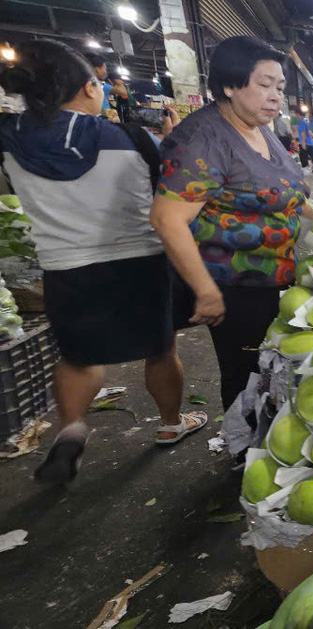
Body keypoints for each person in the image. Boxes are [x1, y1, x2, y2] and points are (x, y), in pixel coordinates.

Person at [0, 41, 206, 483]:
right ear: (91, 87)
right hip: (138, 262)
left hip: (65, 266)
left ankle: (71, 430)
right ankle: (171, 422)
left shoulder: (12, 140)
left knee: (78, 358)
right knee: (161, 348)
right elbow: (167, 195)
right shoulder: (129, 138)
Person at [150, 36, 313, 415]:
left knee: (268, 368)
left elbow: (281, 190)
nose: (275, 96)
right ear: (229, 85)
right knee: (245, 374)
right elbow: (166, 219)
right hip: (232, 283)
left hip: (269, 279)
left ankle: (262, 444)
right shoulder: (202, 139)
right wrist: (205, 291)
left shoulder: (260, 129)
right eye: (264, 84)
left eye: (280, 87)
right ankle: (243, 455)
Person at [84, 52, 129, 117]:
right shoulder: (98, 86)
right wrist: (116, 79)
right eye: (105, 68)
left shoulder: (83, 84)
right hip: (99, 120)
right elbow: (123, 91)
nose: (106, 71)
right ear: (97, 70)